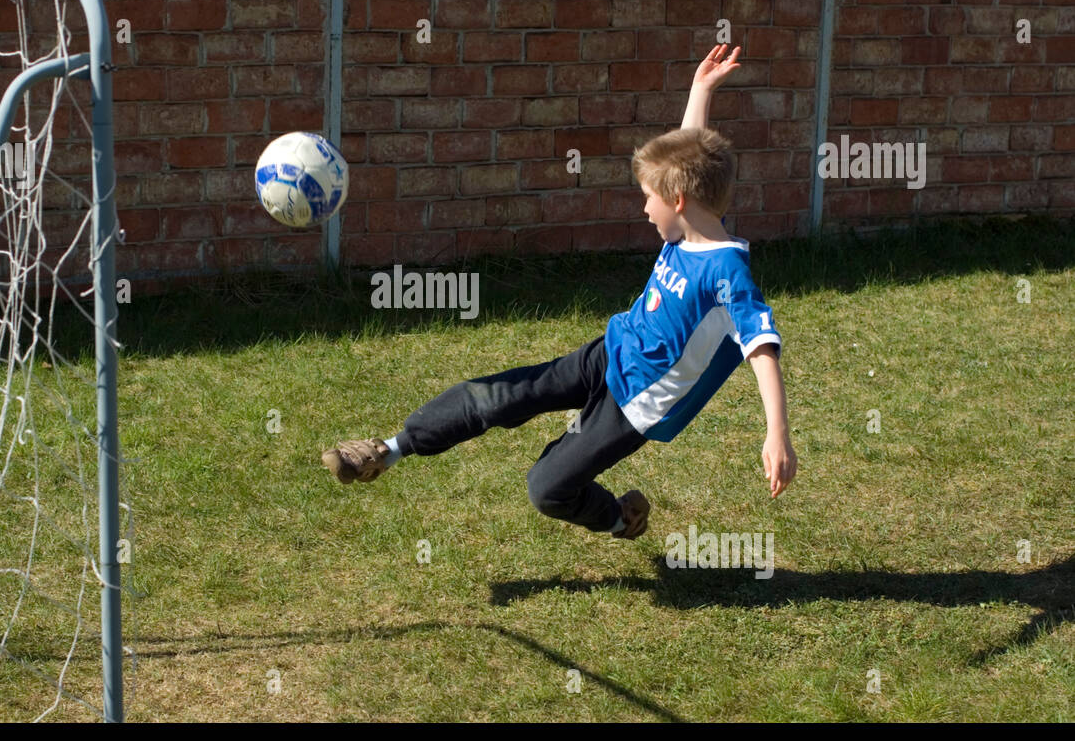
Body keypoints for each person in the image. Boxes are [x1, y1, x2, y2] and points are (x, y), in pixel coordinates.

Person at [321, 45, 798, 539]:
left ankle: (619, 517)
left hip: (632, 406)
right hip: (606, 354)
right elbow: (686, 159)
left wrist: (777, 434)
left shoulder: (726, 270)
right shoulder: (684, 230)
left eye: (647, 199)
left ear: (678, 202)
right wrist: (701, 89)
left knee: (547, 487)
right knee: (499, 395)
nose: (643, 209)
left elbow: (762, 350)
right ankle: (387, 449)